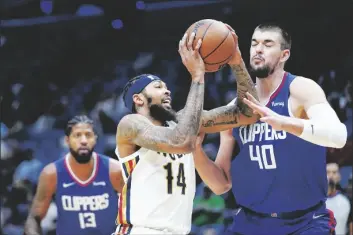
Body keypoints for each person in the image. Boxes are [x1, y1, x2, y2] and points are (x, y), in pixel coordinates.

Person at [193, 23, 348, 235]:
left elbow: (338, 136)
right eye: (254, 43)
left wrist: (283, 122)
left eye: (267, 44)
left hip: (305, 222)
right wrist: (196, 150)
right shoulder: (235, 108)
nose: (258, 49)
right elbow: (221, 185)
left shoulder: (301, 89)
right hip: (251, 222)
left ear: (284, 55)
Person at [114, 30, 259, 235]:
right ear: (138, 99)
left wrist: (236, 61)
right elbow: (180, 142)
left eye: (166, 87)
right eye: (158, 87)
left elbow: (250, 113)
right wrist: (198, 76)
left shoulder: (184, 124)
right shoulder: (130, 124)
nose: (167, 91)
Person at [24, 115, 124, 235]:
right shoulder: (51, 174)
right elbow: (34, 218)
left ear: (95, 139)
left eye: (88, 135)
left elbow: (139, 213)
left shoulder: (115, 170)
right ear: (67, 140)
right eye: (77, 135)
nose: (83, 141)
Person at [326, 163, 352, 235]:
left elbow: (351, 223)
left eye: (334, 172)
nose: (330, 175)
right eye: (327, 172)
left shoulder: (347, 199)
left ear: (339, 176)